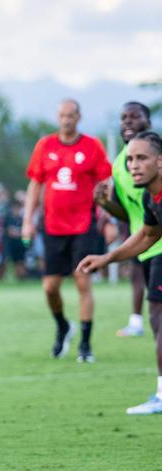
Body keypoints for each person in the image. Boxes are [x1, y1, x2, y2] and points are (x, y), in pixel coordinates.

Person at [22, 99, 112, 362]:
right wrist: (28, 219)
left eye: (71, 115)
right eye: (62, 115)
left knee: (82, 281)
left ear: (79, 117)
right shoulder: (45, 145)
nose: (66, 120)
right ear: (57, 117)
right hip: (52, 227)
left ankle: (85, 344)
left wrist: (108, 216)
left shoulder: (92, 145)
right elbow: (35, 185)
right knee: (50, 287)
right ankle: (63, 326)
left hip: (84, 226)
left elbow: (105, 181)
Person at [79, 131, 162, 414]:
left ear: (160, 161)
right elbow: (148, 235)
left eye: (142, 158)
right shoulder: (152, 199)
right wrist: (107, 258)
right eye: (130, 160)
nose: (134, 165)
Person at [95, 102, 155, 338]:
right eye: (123, 118)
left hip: (157, 243)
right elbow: (127, 212)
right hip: (143, 243)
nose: (127, 122)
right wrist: (105, 204)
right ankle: (136, 321)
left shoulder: (157, 154)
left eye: (134, 117)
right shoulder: (120, 164)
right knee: (156, 313)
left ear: (147, 122)